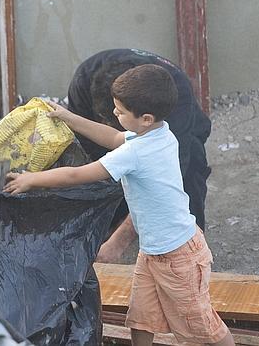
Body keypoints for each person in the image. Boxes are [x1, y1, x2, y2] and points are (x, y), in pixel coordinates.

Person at [4, 65, 234, 346]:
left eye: (121, 111)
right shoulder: (159, 133)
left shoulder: (137, 152)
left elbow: (79, 175)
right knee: (141, 317)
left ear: (146, 118)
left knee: (202, 326)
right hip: (153, 252)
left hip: (178, 257)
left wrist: (33, 180)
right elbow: (112, 137)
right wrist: (68, 117)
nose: (115, 114)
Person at [67, 49, 211, 262]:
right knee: (107, 172)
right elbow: (87, 148)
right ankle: (107, 228)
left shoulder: (174, 99)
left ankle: (189, 252)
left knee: (187, 179)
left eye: (119, 117)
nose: (113, 125)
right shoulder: (85, 79)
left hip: (182, 131)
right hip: (122, 119)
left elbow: (160, 184)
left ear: (145, 118)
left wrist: (118, 244)